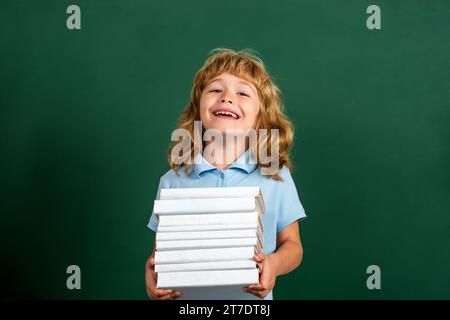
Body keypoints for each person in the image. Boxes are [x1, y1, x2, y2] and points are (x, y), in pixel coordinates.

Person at [145, 48, 307, 300]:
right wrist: (152, 270)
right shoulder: (172, 181)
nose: (227, 98)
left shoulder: (275, 176)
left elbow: (293, 247)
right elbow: (162, 251)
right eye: (215, 90)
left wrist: (273, 264)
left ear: (261, 117)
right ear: (198, 107)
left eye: (242, 92)